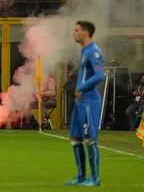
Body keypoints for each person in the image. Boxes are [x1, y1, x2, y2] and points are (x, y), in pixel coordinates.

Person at [65, 21, 104, 187]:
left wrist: (81, 87)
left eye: (76, 30)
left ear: (86, 33)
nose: (73, 33)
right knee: (75, 138)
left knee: (90, 139)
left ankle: (94, 179)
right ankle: (81, 176)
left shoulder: (94, 51)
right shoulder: (84, 52)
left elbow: (99, 75)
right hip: (80, 101)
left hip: (90, 100)